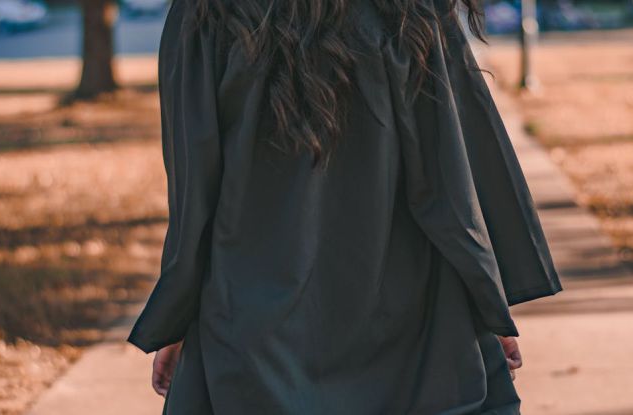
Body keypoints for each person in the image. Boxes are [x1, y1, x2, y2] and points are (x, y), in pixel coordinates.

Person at [126, 0, 563, 413]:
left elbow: (194, 189)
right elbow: (453, 175)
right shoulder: (409, 11)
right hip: (415, 330)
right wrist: (486, 301)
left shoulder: (209, 14)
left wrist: (178, 315)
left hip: (255, 327)